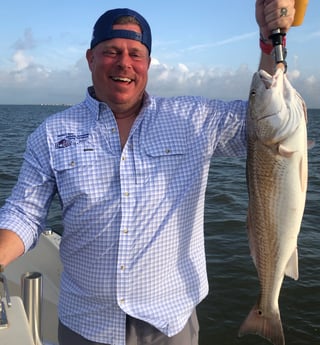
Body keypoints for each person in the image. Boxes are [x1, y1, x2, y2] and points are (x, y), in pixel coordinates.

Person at [0, 1, 295, 345]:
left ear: (148, 63)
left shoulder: (193, 119)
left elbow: (264, 121)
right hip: (85, 324)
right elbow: (24, 213)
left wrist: (269, 42)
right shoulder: (52, 133)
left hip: (170, 324)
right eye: (111, 51)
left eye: (135, 54)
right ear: (90, 58)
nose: (124, 63)